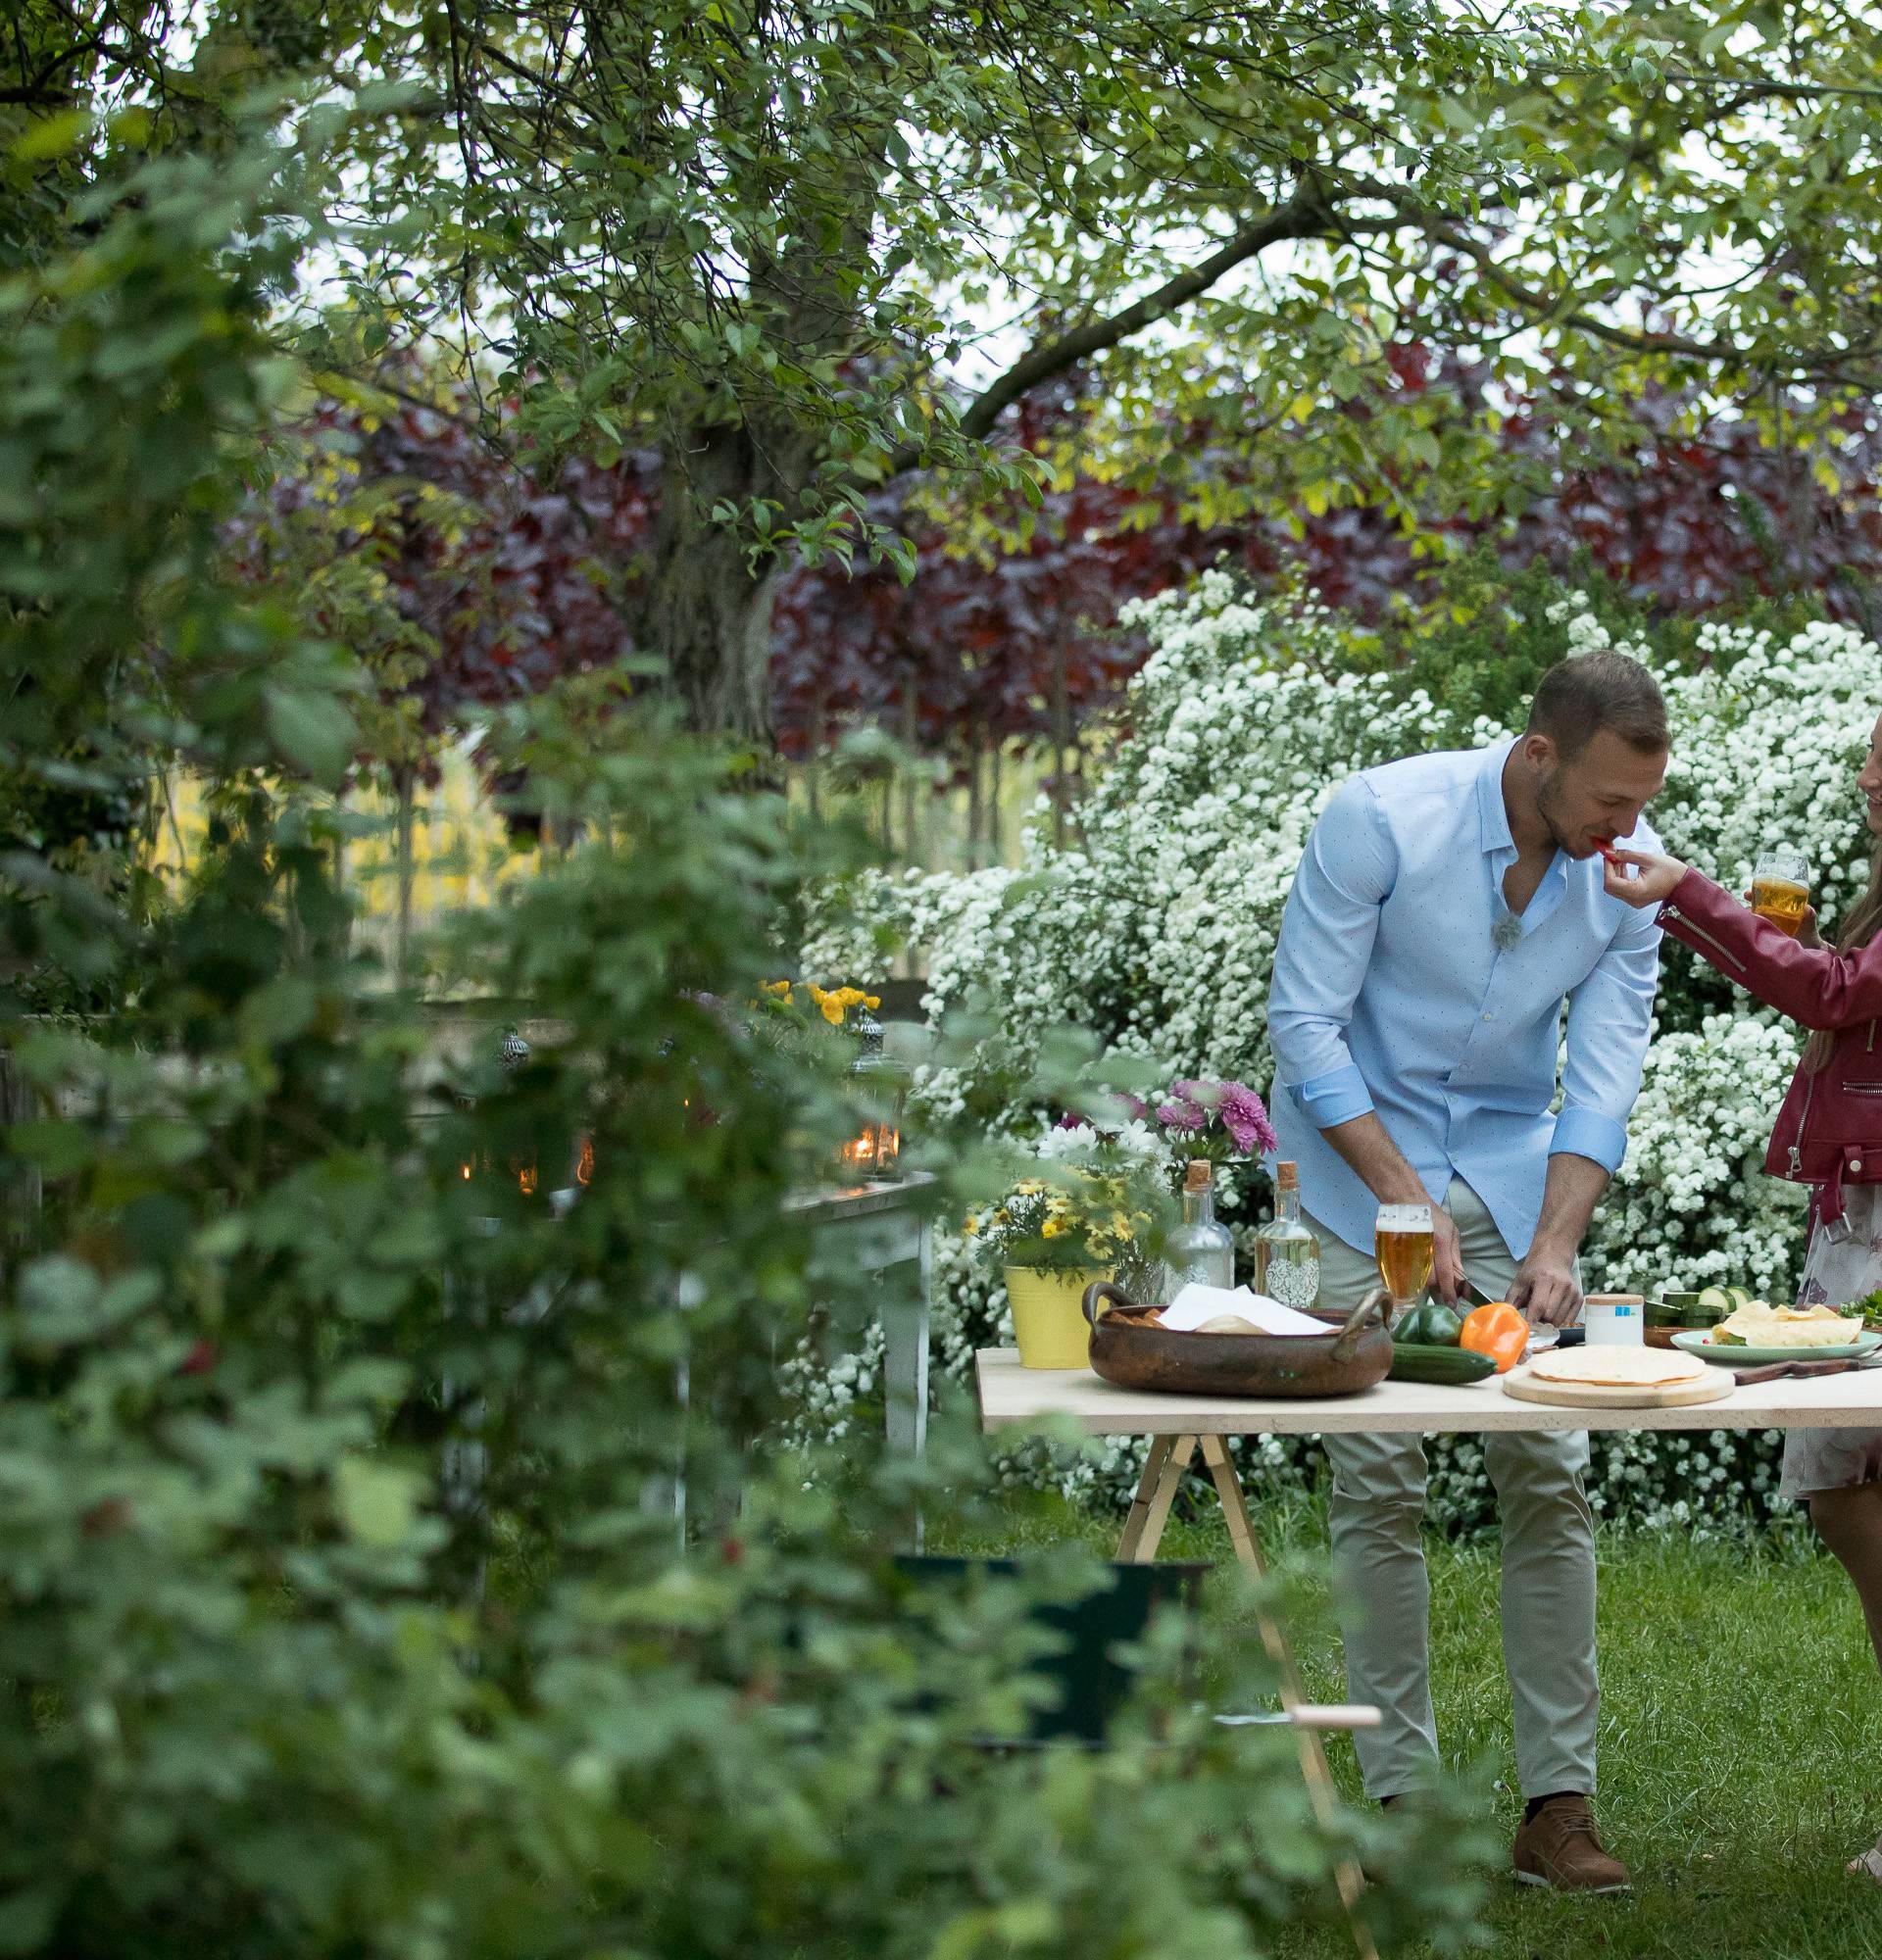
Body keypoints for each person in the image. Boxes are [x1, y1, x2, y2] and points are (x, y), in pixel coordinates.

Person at [1267, 651, 1669, 1893]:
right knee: (1379, 1478)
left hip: (1502, 1174)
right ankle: (1401, 1806)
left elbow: (1603, 1070)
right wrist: (1396, 1194)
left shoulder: (1628, 870)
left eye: (1641, 801)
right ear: (1539, 755)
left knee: (1549, 1467)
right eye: (1609, 798)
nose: (1626, 827)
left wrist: (1554, 1242)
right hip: (1354, 1168)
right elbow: (1304, 1023)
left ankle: (1558, 1809)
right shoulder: (1379, 817)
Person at [1602, 711, 1882, 1882]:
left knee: (1836, 1461)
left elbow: (1830, 994)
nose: (1868, 773)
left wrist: (1692, 894)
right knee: (1832, 1470)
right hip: (1854, 1218)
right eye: (1869, 754)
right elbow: (1840, 989)